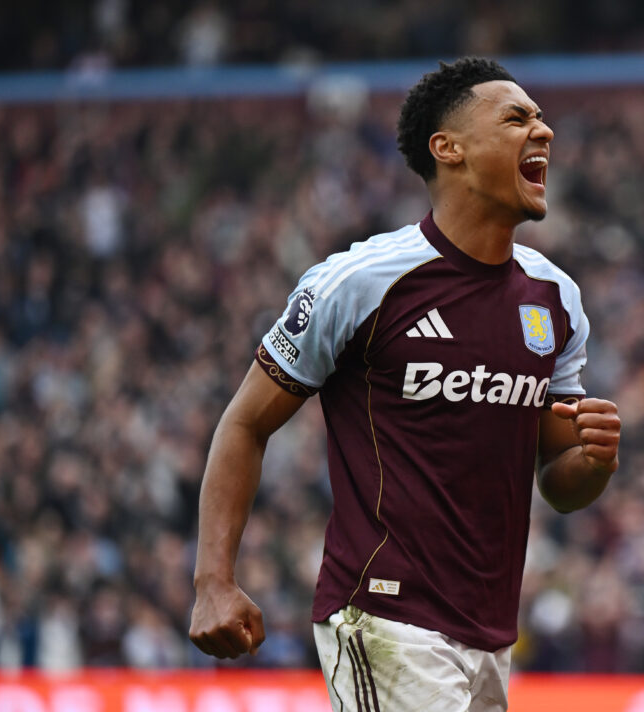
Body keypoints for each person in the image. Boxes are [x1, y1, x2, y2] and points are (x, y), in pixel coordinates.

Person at [188, 56, 621, 711]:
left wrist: (592, 461)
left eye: (541, 116)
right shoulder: (359, 283)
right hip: (384, 617)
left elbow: (558, 484)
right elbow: (245, 422)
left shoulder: (555, 299)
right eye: (516, 118)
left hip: (491, 635)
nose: (545, 131)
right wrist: (212, 581)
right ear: (448, 149)